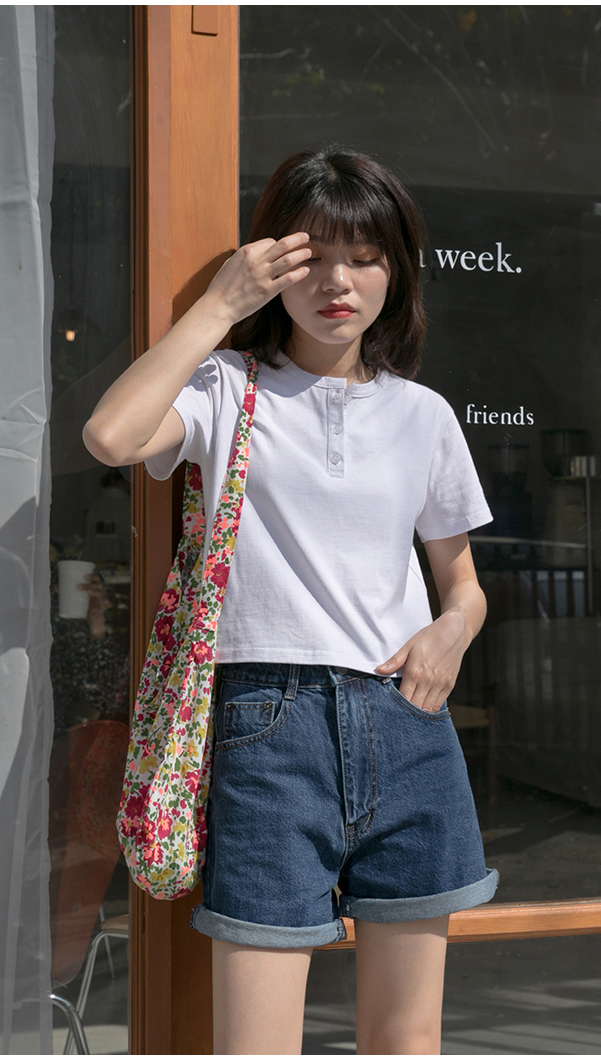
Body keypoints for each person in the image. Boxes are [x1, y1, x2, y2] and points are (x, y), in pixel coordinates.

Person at [83, 147, 498, 1055]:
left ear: (396, 271)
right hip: (268, 730)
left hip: (407, 722)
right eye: (313, 258)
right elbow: (110, 435)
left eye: (366, 258)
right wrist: (218, 305)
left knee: (404, 1043)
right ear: (274, 265)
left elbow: (462, 585)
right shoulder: (226, 386)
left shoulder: (424, 415)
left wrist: (451, 634)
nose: (338, 282)